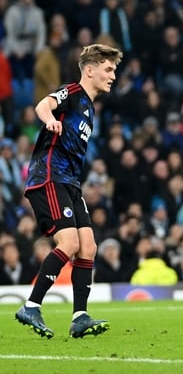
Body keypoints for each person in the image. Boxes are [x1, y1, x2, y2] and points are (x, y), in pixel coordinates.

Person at [15, 43, 122, 339]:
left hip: (71, 182)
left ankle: (79, 316)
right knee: (70, 242)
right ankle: (31, 306)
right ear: (90, 70)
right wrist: (49, 120)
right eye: (108, 69)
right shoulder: (73, 93)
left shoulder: (89, 108)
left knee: (88, 246)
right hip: (50, 177)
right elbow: (43, 105)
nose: (113, 76)